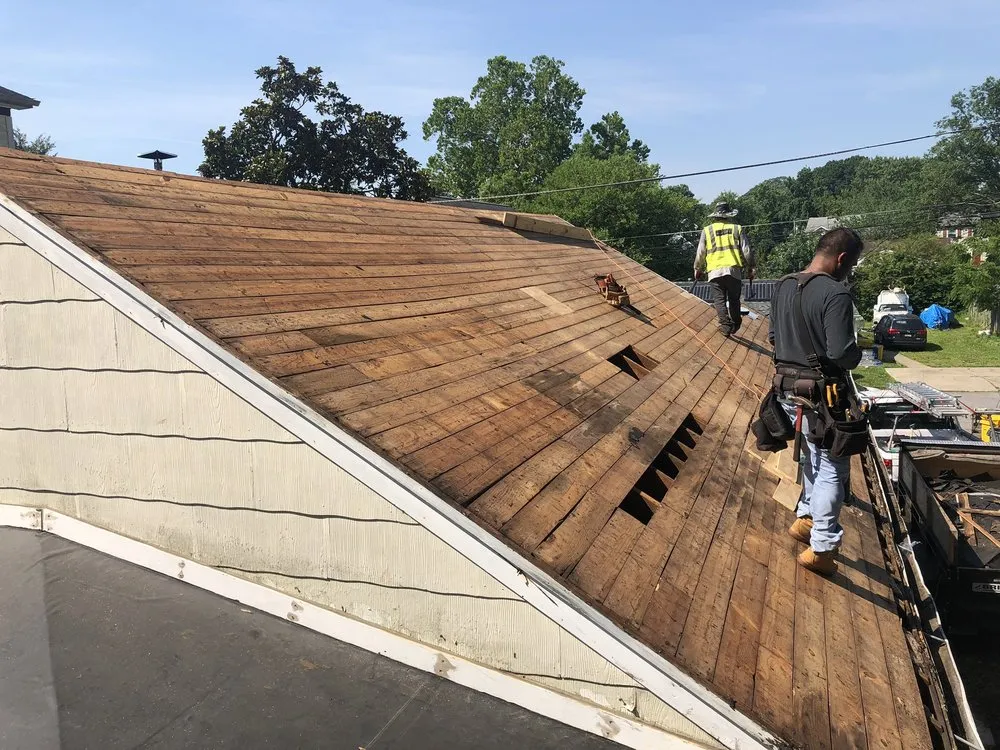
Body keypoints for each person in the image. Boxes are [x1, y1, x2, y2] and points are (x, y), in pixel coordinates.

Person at [768, 227, 864, 576]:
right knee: (832, 467)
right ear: (842, 259)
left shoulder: (782, 285)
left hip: (787, 390)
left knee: (811, 453)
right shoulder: (835, 294)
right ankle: (822, 548)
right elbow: (840, 353)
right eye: (850, 265)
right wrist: (858, 353)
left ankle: (806, 518)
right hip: (822, 396)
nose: (849, 271)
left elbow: (774, 338)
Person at [693, 202, 754, 337]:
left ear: (715, 216)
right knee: (734, 300)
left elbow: (701, 252)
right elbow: (746, 250)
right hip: (733, 270)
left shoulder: (707, 230)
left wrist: (697, 268)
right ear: (728, 216)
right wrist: (751, 267)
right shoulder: (737, 228)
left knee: (719, 300)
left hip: (714, 270)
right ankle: (736, 322)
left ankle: (725, 325)